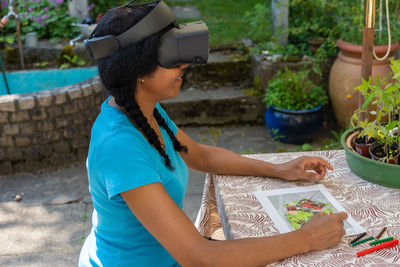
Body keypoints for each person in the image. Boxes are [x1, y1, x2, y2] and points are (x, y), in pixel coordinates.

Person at [79, 1, 347, 266]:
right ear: (137, 71)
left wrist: (279, 169)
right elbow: (200, 257)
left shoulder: (143, 109)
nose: (184, 65)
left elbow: (200, 156)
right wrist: (307, 238)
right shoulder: (120, 147)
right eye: (171, 56)